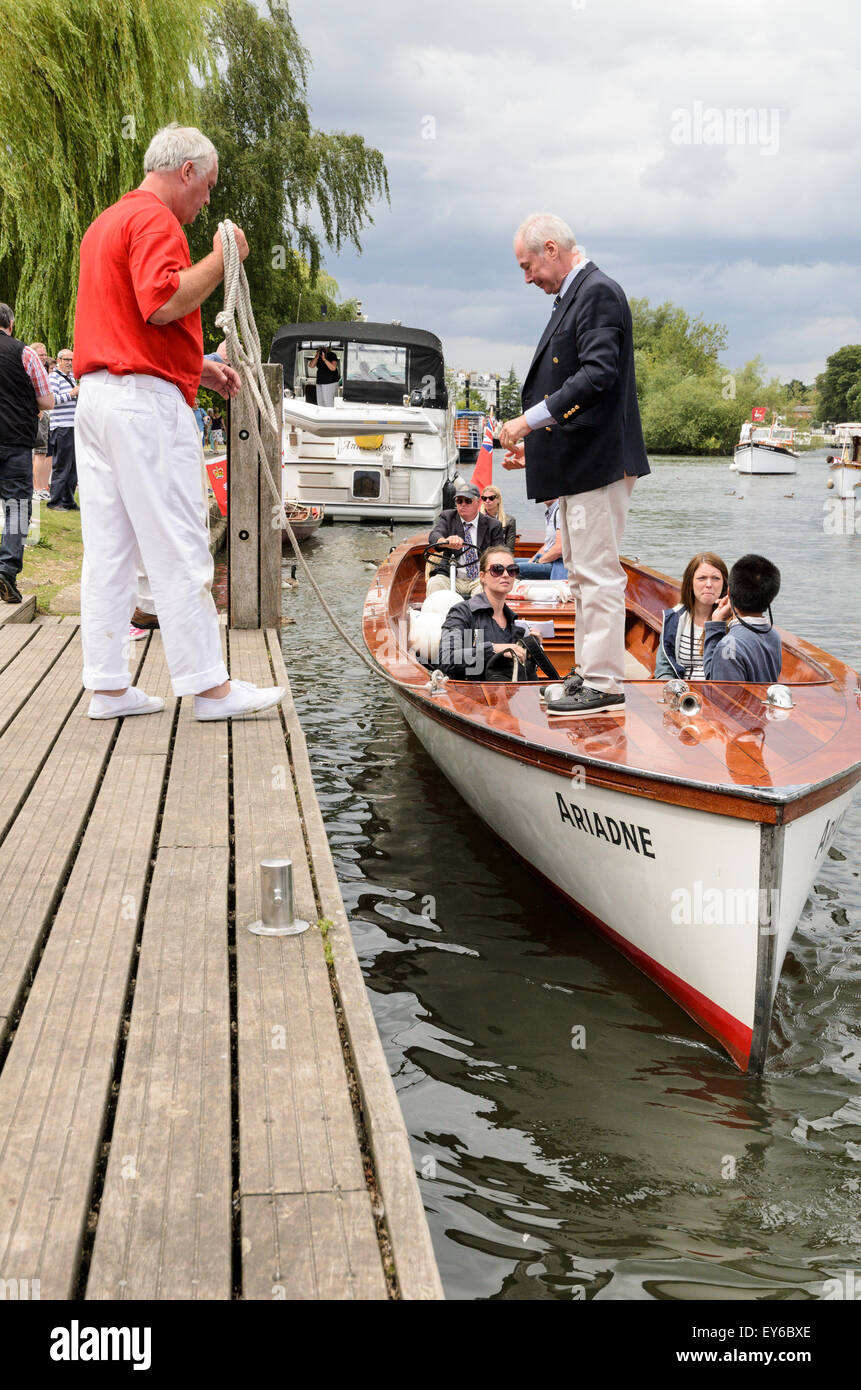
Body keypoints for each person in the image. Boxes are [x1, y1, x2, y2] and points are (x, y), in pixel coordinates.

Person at [72, 121, 284, 720]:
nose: (208, 200)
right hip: (143, 408)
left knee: (109, 550)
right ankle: (210, 689)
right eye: (208, 185)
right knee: (181, 544)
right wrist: (223, 259)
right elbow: (163, 302)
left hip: (99, 397)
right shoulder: (156, 220)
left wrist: (198, 366)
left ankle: (109, 685)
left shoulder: (105, 223)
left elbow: (128, 323)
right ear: (186, 171)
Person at [499, 212, 650, 716]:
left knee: (597, 574)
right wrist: (536, 445)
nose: (527, 279)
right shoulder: (581, 294)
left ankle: (604, 683)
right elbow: (581, 391)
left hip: (598, 464)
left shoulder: (597, 292)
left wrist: (526, 423)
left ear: (551, 248)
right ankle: (589, 673)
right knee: (583, 573)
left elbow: (598, 376)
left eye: (528, 266)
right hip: (584, 462)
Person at [0, 305, 70, 604]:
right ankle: (6, 571)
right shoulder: (25, 354)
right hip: (15, 441)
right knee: (17, 507)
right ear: (11, 325)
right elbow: (47, 400)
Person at [438, 546, 559, 681]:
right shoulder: (462, 613)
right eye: (497, 569)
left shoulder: (515, 623)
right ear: (482, 577)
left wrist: (532, 650)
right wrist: (494, 648)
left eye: (512, 570)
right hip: (472, 693)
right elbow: (447, 659)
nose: (506, 575)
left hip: (508, 694)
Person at [703, 554, 782, 682]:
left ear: (729, 593)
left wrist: (716, 624)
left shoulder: (729, 645)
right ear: (771, 598)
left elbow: (718, 687)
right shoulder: (774, 636)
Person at [654, 552, 729, 680]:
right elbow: (664, 670)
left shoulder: (734, 623)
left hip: (718, 694)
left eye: (716, 578)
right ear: (690, 583)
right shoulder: (674, 619)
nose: (709, 584)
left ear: (724, 584)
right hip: (682, 695)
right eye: (702, 578)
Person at [426, 482, 504, 598]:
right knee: (434, 583)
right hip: (450, 575)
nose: (463, 504)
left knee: (487, 589)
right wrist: (445, 541)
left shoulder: (493, 525)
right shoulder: (448, 517)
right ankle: (439, 616)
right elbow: (434, 535)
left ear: (478, 502)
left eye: (468, 501)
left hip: (480, 577)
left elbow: (500, 554)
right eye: (459, 501)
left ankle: (481, 615)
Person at [47, 348, 79, 510]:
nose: (69, 363)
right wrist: (72, 394)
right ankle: (55, 501)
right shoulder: (54, 377)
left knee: (73, 466)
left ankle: (68, 500)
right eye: (66, 360)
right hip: (61, 427)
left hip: (73, 426)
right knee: (62, 465)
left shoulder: (72, 377)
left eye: (72, 360)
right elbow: (52, 400)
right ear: (59, 361)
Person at [516, 497, 566, 580]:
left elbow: (559, 548)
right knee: (510, 562)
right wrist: (531, 561)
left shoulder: (560, 511)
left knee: (516, 569)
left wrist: (538, 562)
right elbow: (547, 545)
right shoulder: (551, 512)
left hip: (558, 564)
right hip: (550, 559)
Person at [29, 342, 53, 500]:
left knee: (44, 452)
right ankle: (36, 488)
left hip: (46, 413)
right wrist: (37, 411)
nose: (43, 357)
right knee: (39, 451)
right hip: (39, 414)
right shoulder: (31, 370)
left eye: (45, 354)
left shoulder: (43, 369)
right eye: (40, 355)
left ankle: (41, 486)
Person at [480, 485, 516, 550]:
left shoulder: (510, 521)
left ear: (498, 500)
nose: (487, 501)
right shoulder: (477, 519)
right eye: (484, 498)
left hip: (501, 556)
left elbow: (509, 549)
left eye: (491, 498)